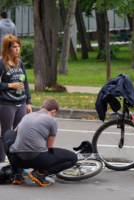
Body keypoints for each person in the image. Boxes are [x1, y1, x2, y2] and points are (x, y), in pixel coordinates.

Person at [3, 98, 78, 186]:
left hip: (17, 159)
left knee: (8, 133)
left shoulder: (27, 116)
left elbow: (14, 133)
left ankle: (17, 174)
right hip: (37, 160)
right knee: (73, 158)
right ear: (53, 111)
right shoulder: (52, 121)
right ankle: (40, 173)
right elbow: (49, 147)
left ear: (41, 107)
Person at [0, 34, 32, 162]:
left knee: (19, 133)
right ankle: (2, 164)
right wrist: (10, 85)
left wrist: (28, 102)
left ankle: (17, 165)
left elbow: (26, 84)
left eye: (18, 46)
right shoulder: (1, 63)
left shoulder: (19, 63)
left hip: (21, 102)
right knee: (6, 134)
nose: (17, 49)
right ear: (7, 48)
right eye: (14, 47)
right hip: (7, 104)